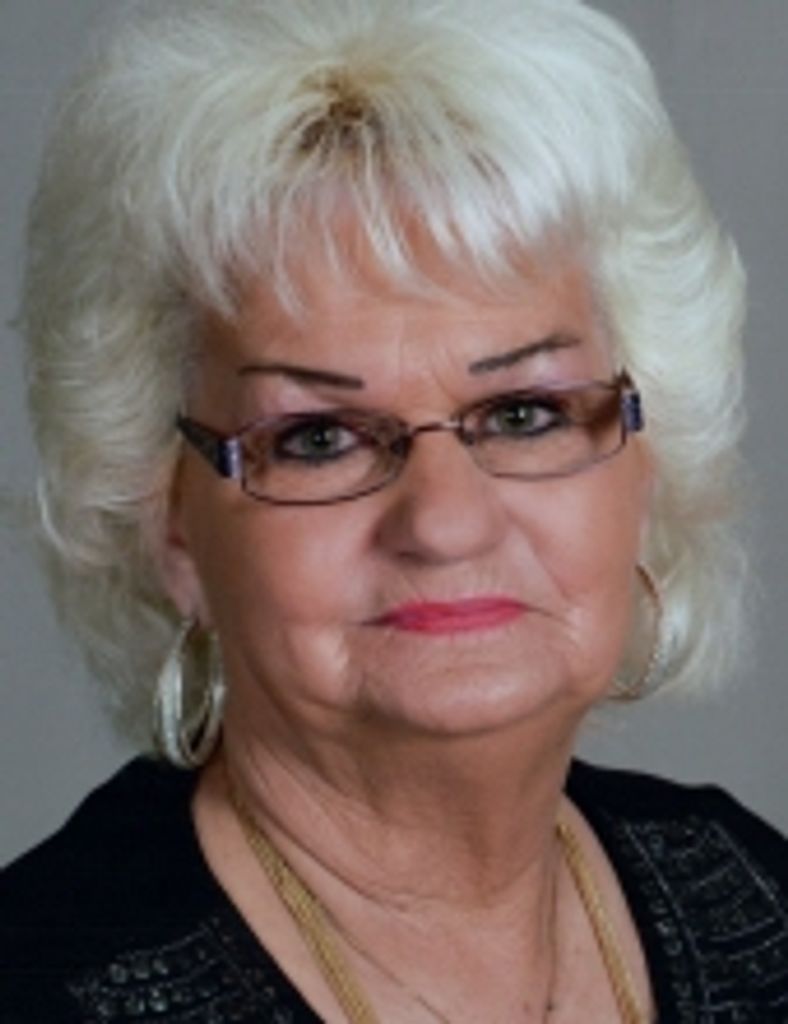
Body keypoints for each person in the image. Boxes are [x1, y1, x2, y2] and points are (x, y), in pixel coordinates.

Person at [2, 0, 788, 1021]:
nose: (446, 523)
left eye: (523, 413)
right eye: (318, 437)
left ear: (647, 463)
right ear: (171, 521)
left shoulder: (756, 899)